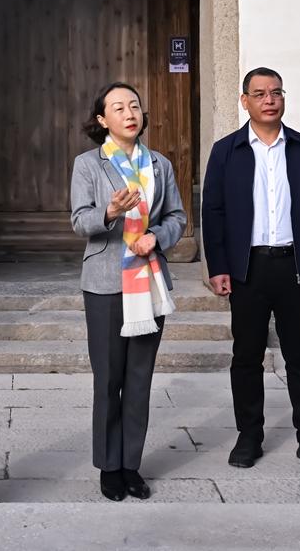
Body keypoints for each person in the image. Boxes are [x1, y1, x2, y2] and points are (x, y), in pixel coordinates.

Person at [201, 67, 300, 472]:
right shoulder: (226, 151)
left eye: (276, 92)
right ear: (244, 101)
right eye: (260, 93)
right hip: (248, 269)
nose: (269, 100)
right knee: (246, 356)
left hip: (295, 266)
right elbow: (213, 211)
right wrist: (218, 265)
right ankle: (249, 437)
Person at [70, 82, 186, 501]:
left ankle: (131, 465)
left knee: (139, 378)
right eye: (118, 108)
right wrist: (110, 211)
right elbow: (79, 221)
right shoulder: (88, 164)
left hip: (148, 279)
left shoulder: (159, 164)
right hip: (105, 283)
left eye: (134, 105)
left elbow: (177, 217)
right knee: (109, 378)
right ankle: (108, 466)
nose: (129, 113)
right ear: (102, 119)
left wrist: (156, 236)